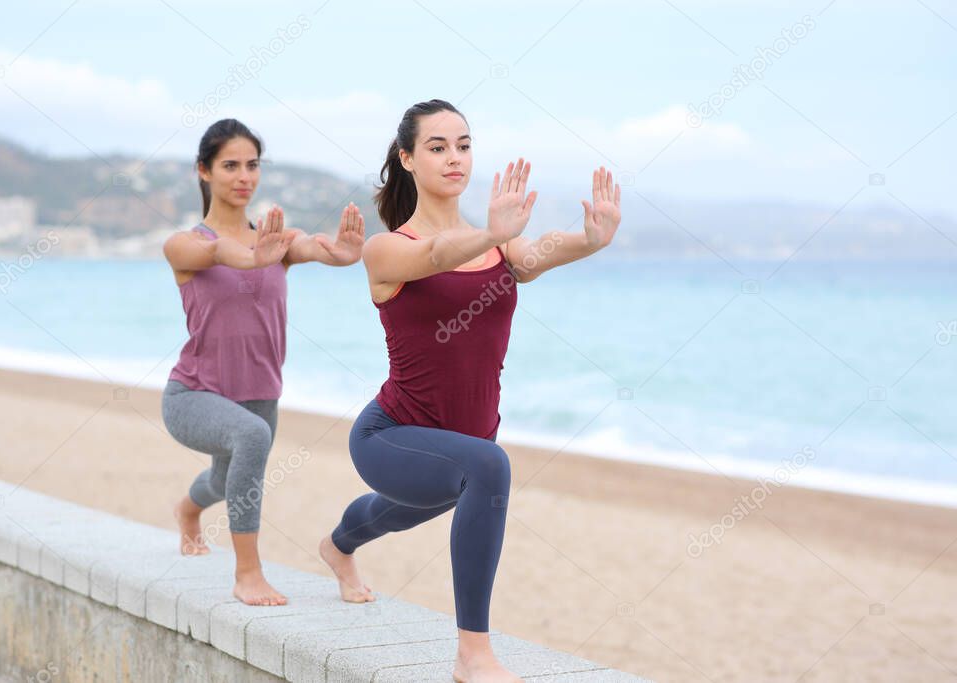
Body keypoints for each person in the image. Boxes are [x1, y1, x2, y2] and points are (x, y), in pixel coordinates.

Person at [319, 100, 622, 683]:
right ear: (407, 159)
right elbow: (435, 255)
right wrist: (489, 230)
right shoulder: (386, 250)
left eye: (463, 144)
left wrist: (590, 240)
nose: (454, 157)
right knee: (488, 467)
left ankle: (337, 547)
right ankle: (472, 655)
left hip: (462, 440)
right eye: (437, 147)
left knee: (393, 513)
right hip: (392, 435)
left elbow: (535, 255)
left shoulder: (500, 244)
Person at [161, 118, 365, 606]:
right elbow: (218, 250)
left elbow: (315, 247)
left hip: (260, 393)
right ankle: (248, 575)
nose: (243, 175)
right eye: (230, 165)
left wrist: (343, 253)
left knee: (224, 480)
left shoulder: (277, 241)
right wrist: (251, 258)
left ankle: (187, 512)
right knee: (250, 441)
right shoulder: (184, 244)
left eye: (252, 165)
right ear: (204, 171)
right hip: (193, 395)